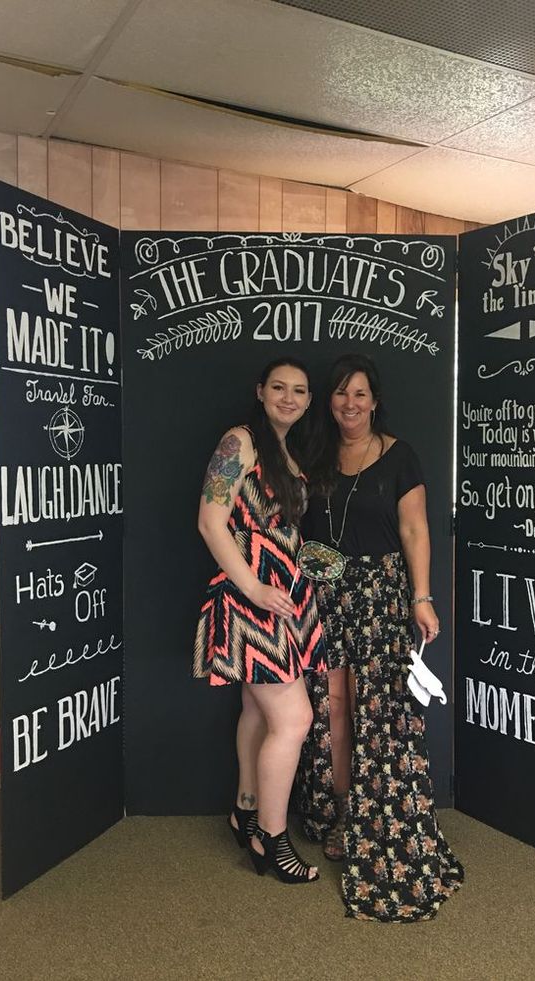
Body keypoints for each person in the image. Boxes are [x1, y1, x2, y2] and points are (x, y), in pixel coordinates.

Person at [297, 353, 464, 920]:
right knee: (334, 708)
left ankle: (379, 819)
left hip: (382, 597)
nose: (350, 405)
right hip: (325, 596)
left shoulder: (400, 456)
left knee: (383, 713)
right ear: (330, 400)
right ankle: (347, 815)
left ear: (375, 400)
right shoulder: (313, 455)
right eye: (342, 394)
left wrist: (423, 598)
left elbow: (417, 530)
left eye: (361, 395)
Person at [193, 357, 325, 885]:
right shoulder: (240, 441)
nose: (288, 397)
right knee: (294, 721)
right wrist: (252, 587)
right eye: (278, 387)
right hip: (253, 600)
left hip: (281, 597)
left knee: (255, 707)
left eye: (299, 390)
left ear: (309, 399)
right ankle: (271, 839)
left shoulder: (284, 448)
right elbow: (210, 520)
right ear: (261, 391)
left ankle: (245, 809)